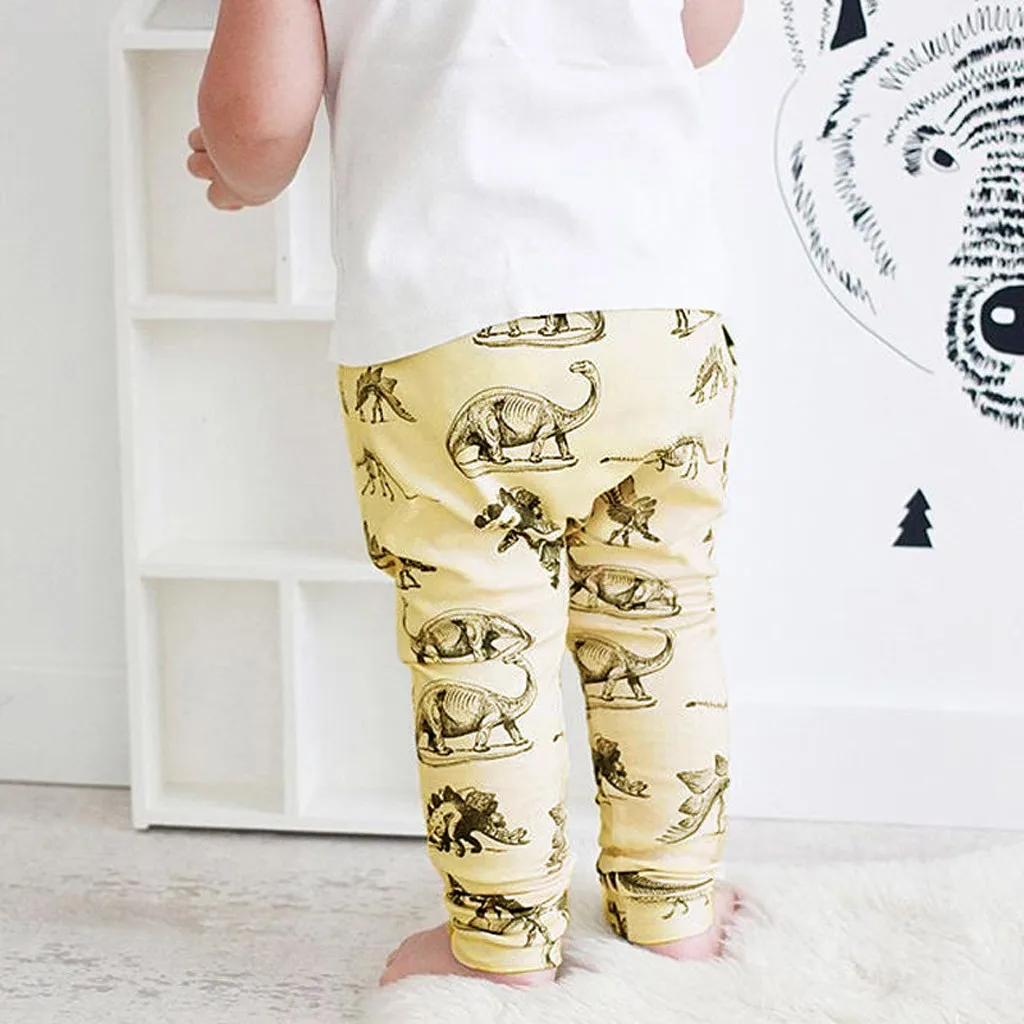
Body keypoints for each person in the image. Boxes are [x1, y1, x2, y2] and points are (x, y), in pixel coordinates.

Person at [188, 0, 746, 989]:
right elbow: (702, 30)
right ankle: (674, 913)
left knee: (481, 633)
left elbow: (260, 122)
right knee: (659, 611)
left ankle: (503, 948)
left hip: (447, 322)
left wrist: (237, 173)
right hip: (665, 317)